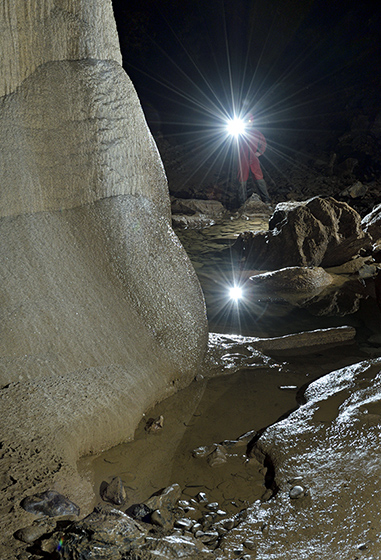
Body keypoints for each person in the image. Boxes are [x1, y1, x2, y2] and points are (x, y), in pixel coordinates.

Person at [237, 113, 270, 205]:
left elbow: (263, 144)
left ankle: (266, 200)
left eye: (250, 121)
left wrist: (259, 153)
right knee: (242, 180)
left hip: (253, 159)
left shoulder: (256, 133)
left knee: (259, 178)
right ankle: (241, 203)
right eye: (246, 121)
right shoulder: (238, 132)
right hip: (242, 159)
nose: (249, 123)